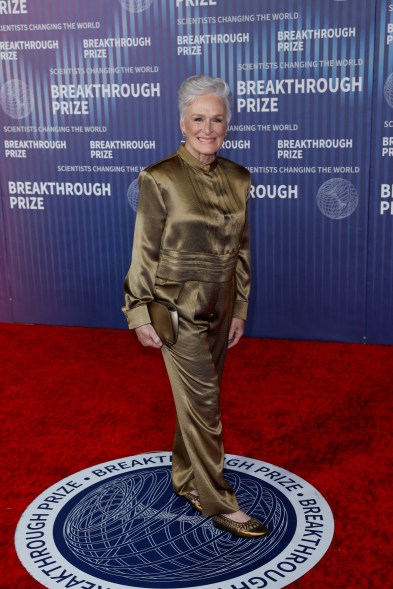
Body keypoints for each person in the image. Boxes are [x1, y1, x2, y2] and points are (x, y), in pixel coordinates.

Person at [122, 75, 268, 539]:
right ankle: (219, 501)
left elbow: (242, 250)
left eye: (217, 119)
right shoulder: (158, 177)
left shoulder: (239, 177)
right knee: (204, 404)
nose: (208, 127)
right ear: (182, 122)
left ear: (228, 124)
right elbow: (144, 252)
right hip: (175, 309)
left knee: (201, 401)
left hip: (221, 307)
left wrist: (240, 307)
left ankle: (186, 477)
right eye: (199, 118)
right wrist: (139, 312)